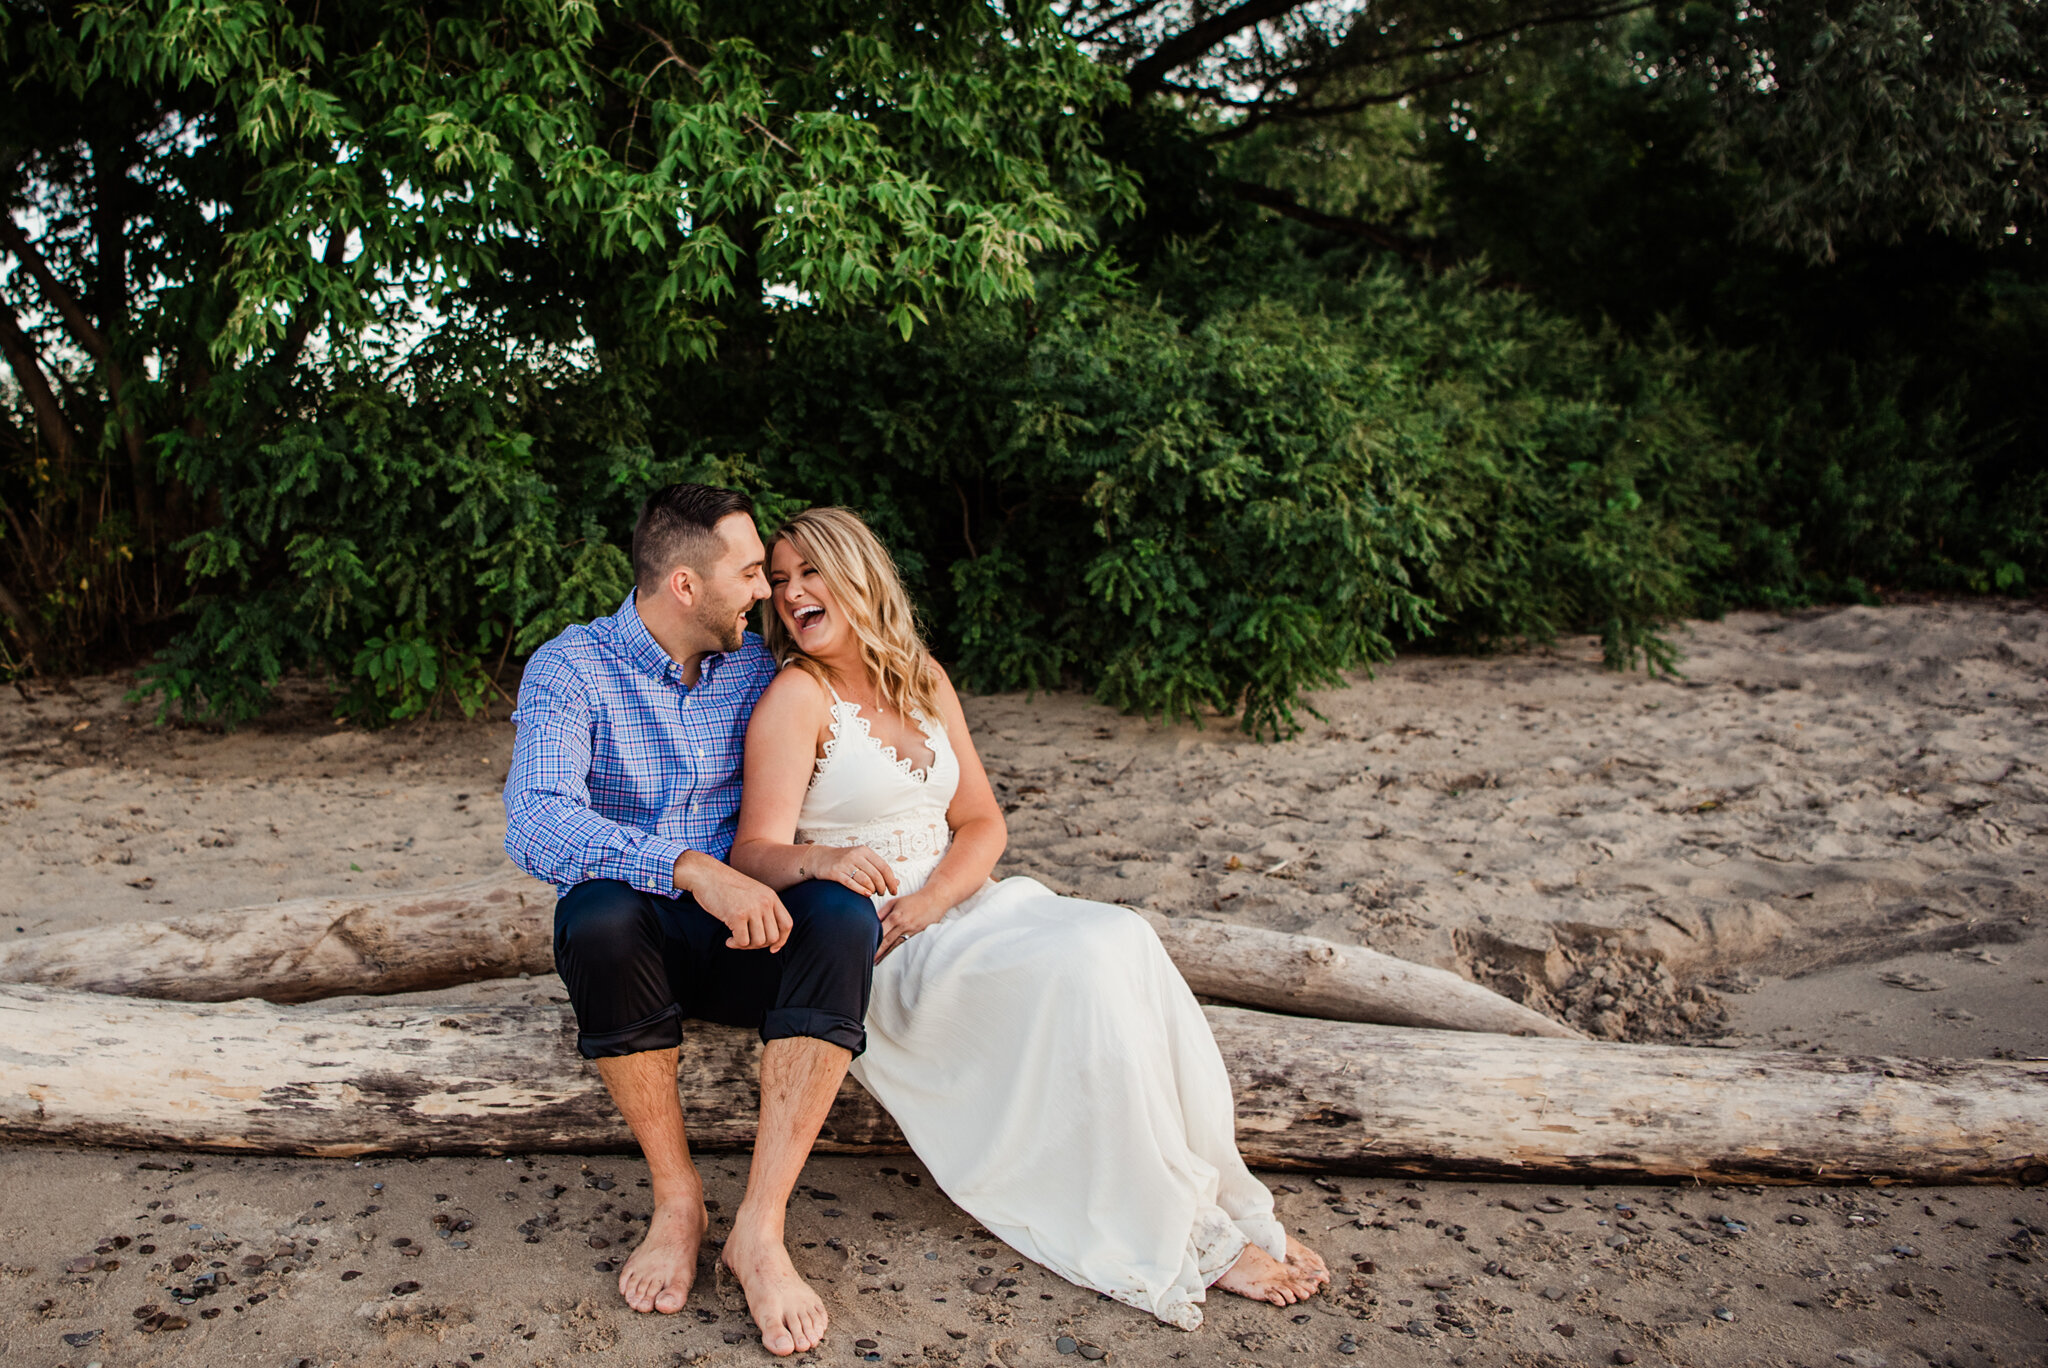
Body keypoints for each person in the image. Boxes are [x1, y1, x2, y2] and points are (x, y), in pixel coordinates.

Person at [729, 507, 1330, 1331]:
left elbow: (983, 821)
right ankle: (1185, 1234)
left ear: (860, 573)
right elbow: (754, 851)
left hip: (958, 907)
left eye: (811, 571)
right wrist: (822, 861)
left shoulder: (923, 677)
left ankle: (1208, 1194)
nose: (792, 592)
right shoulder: (799, 697)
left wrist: (940, 895)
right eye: (781, 579)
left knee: (1124, 938)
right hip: (877, 943)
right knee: (1076, 974)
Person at [503, 484, 880, 1357]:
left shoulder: (757, 669)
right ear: (683, 583)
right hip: (640, 944)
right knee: (594, 913)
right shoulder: (571, 668)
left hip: (753, 941)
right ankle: (678, 1202)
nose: (766, 592)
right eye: (751, 573)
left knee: (839, 916)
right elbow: (537, 820)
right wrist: (688, 867)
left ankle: (760, 1224)